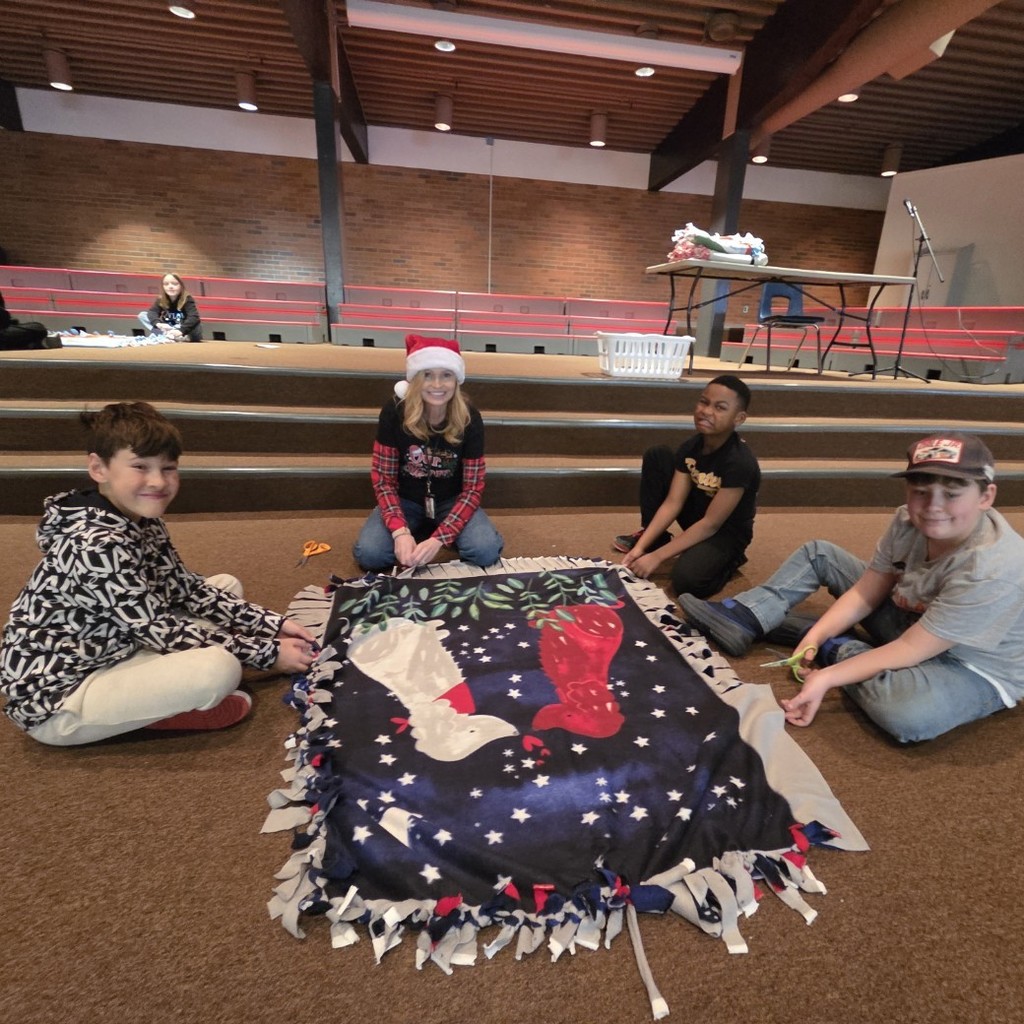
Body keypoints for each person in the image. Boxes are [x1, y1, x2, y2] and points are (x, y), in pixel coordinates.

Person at [0, 401, 317, 746]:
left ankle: (159, 691)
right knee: (219, 669)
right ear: (98, 467)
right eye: (140, 466)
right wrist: (269, 654)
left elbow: (187, 589)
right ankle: (160, 712)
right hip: (61, 699)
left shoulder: (141, 518)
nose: (157, 481)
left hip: (117, 643)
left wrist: (274, 624)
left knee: (223, 584)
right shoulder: (94, 543)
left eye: (168, 468)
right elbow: (158, 630)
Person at [679, 433, 1024, 744]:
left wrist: (828, 675)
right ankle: (751, 616)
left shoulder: (993, 567)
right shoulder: (907, 520)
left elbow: (911, 649)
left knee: (906, 716)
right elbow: (866, 592)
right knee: (820, 553)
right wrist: (813, 639)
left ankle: (840, 647)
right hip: (911, 620)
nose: (933, 506)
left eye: (951, 494)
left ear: (986, 496)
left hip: (968, 664)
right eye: (920, 491)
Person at [353, 334, 504, 571]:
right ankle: (414, 527)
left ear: (456, 380)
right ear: (415, 379)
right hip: (406, 499)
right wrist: (399, 531)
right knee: (371, 555)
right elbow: (383, 479)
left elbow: (473, 487)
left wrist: (440, 538)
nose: (437, 385)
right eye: (427, 375)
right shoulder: (394, 411)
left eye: (446, 375)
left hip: (450, 500)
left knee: (484, 550)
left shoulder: (470, 418)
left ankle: (430, 529)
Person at [615, 374, 760, 598]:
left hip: (725, 532)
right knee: (659, 455)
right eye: (704, 402)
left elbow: (711, 524)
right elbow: (673, 503)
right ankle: (658, 537)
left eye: (720, 408)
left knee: (687, 582)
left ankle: (731, 559)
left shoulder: (740, 463)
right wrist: (642, 547)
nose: (707, 411)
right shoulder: (690, 447)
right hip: (698, 516)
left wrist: (658, 557)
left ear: (738, 418)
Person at [139, 272, 203, 342]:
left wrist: (181, 330)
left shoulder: (187, 299)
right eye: (166, 284)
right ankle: (163, 334)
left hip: (183, 329)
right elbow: (152, 312)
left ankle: (174, 336)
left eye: (175, 284)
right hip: (168, 328)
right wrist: (158, 324)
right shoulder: (161, 299)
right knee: (142, 315)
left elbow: (194, 317)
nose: (170, 286)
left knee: (196, 323)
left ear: (181, 286)